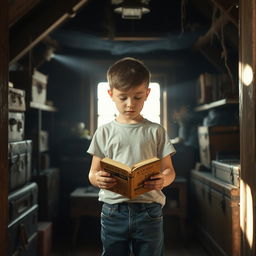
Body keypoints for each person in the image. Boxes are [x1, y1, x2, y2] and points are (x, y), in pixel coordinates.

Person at [87, 57, 176, 256]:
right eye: (123, 97)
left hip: (149, 212)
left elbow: (169, 171)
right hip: (112, 211)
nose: (130, 104)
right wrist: (97, 179)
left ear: (147, 93)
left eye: (137, 97)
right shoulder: (104, 132)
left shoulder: (156, 131)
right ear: (111, 94)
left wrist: (164, 179)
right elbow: (93, 173)